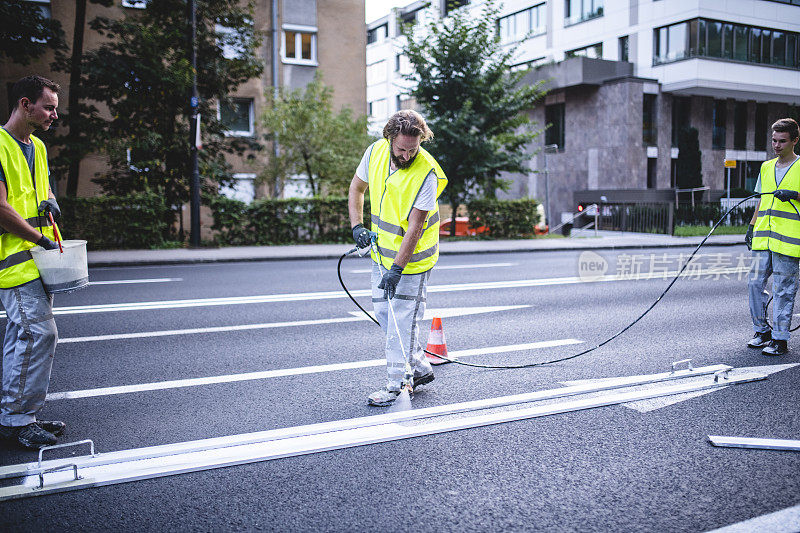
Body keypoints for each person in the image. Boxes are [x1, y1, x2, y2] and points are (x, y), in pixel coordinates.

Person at [348, 110, 448, 406]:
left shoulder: (426, 174)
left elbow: (415, 227)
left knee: (401, 321)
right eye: (401, 149)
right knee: (385, 316)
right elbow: (356, 188)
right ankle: (418, 368)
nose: (406, 155)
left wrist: (397, 269)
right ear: (389, 139)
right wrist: (357, 226)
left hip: (412, 261)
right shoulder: (375, 152)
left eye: (413, 149)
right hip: (382, 254)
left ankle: (396, 385)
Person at [0, 75, 64, 449]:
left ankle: (15, 415)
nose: (54, 114)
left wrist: (51, 199)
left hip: (40, 260)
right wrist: (39, 238)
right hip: (14, 260)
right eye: (49, 107)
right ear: (25, 105)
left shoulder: (36, 147)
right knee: (40, 334)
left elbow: (44, 188)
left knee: (20, 337)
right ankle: (19, 420)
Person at [745, 118, 800, 356]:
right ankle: (762, 331)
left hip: (788, 241)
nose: (776, 145)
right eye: (774, 140)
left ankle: (780, 339)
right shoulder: (766, 167)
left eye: (782, 141)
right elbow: (761, 200)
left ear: (795, 141)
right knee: (755, 283)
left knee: (783, 290)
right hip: (763, 238)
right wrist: (751, 225)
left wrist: (795, 194)